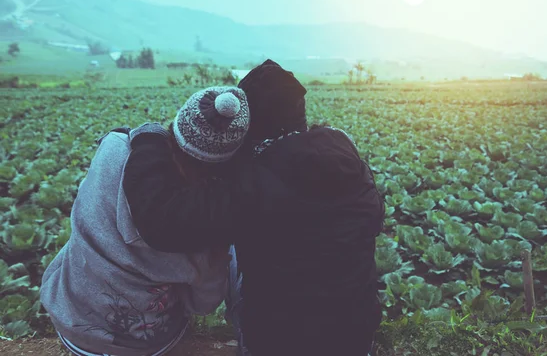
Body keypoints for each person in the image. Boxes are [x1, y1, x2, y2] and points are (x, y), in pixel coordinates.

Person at [123, 60, 384, 356]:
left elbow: (162, 222)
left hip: (280, 343)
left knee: (229, 249)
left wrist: (150, 139)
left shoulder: (253, 183)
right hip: (355, 337)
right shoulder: (344, 152)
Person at [40, 86, 250, 356]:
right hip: (145, 345)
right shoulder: (204, 221)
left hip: (71, 324)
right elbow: (203, 304)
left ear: (177, 128)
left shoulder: (112, 147)